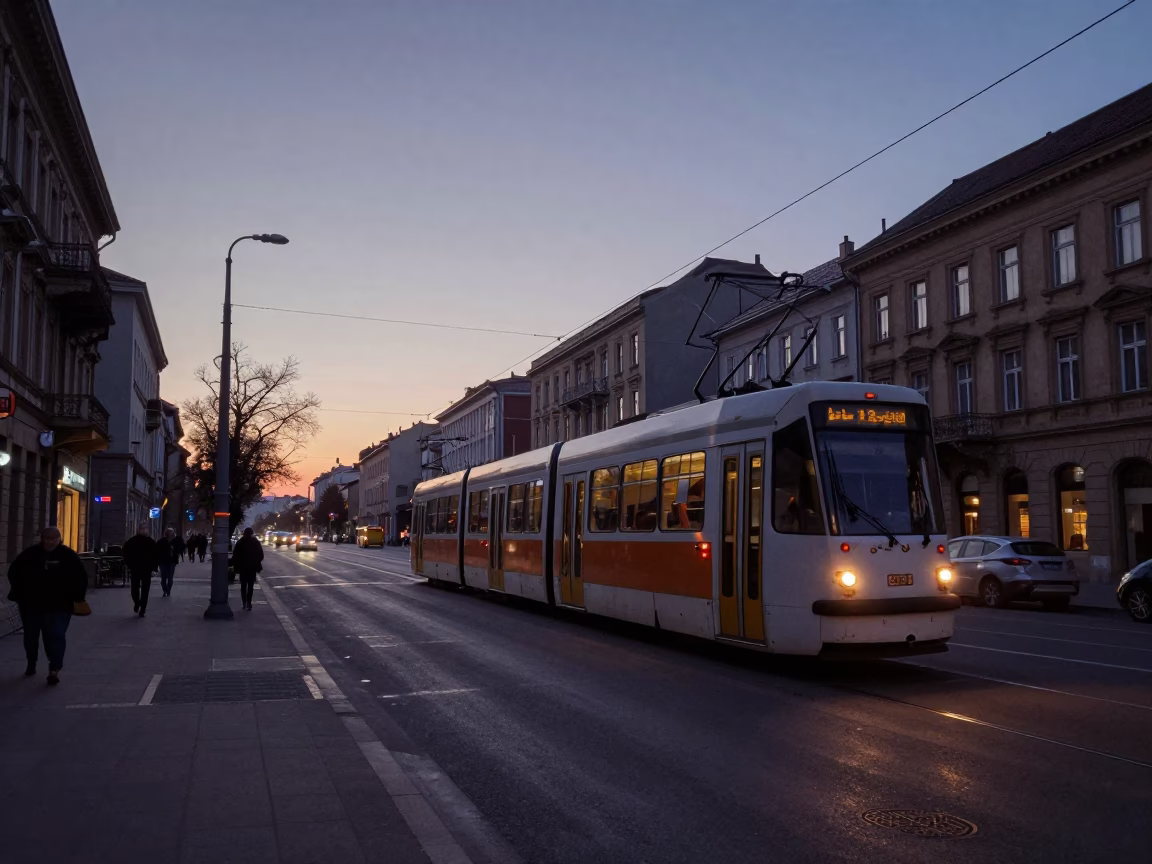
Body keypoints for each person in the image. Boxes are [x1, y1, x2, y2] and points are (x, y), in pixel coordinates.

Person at [6, 527, 88, 684]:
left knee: (56, 634)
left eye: (53, 538)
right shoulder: (30, 555)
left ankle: (54, 668)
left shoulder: (68, 555)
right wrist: (20, 593)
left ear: (59, 538)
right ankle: (31, 661)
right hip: (31, 603)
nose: (50, 542)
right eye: (47, 538)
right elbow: (14, 572)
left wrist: (77, 597)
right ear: (42, 539)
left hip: (60, 604)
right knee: (31, 637)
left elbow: (80, 577)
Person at [122, 525, 158, 617]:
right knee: (139, 589)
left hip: (140, 568)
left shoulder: (147, 542)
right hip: (140, 568)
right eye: (143, 529)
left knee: (139, 589)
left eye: (145, 529)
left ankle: (141, 607)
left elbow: (155, 556)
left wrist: (154, 568)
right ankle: (139, 604)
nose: (144, 531)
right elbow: (125, 553)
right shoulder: (134, 541)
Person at [232, 527, 264, 611]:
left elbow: (235, 556)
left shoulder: (240, 542)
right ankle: (249, 602)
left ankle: (244, 603)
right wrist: (256, 561)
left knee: (243, 586)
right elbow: (261, 555)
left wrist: (235, 565)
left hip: (243, 568)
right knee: (250, 586)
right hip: (252, 568)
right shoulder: (255, 542)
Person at [157, 528, 178, 597]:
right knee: (163, 577)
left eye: (171, 532)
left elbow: (180, 547)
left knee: (170, 577)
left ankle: (168, 590)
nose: (170, 534)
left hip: (172, 562)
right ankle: (165, 590)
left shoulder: (175, 541)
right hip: (163, 561)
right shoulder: (162, 541)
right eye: (169, 532)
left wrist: (175, 552)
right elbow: (157, 550)